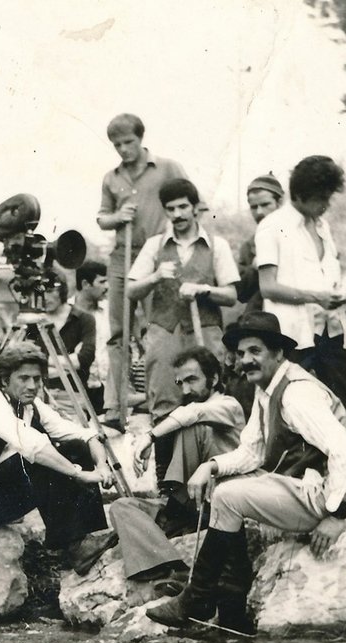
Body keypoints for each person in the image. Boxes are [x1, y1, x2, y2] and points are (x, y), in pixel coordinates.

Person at [146, 312, 346, 632]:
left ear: (278, 353)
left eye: (255, 352)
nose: (246, 360)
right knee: (222, 483)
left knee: (228, 495)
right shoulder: (269, 388)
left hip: (322, 497)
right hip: (300, 488)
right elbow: (252, 452)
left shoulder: (296, 392)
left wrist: (337, 514)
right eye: (242, 353)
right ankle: (230, 601)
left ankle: (199, 598)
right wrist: (210, 466)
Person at [256, 155, 346, 508]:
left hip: (330, 328)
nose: (326, 205)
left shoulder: (322, 226)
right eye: (322, 198)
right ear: (301, 195)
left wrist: (343, 292)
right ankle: (296, 488)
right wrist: (315, 296)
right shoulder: (272, 226)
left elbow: (327, 274)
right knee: (297, 410)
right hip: (295, 331)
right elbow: (268, 286)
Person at [0, 341, 116, 571]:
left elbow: (80, 433)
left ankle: (88, 538)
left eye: (37, 379)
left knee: (73, 447)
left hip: (2, 490)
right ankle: (73, 547)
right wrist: (79, 474)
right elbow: (32, 445)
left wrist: (101, 466)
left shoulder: (26, 401)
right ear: (5, 380)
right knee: (37, 459)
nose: (32, 385)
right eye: (24, 378)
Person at [114, 346, 246, 584]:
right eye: (180, 382)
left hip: (218, 497)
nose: (185, 389)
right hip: (187, 503)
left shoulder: (229, 406)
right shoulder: (185, 411)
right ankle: (169, 565)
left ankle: (169, 520)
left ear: (214, 378)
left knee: (188, 423)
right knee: (121, 507)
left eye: (192, 380)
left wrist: (149, 437)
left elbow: (193, 413)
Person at [127, 178, 238, 446]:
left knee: (209, 403)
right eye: (171, 209)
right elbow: (131, 291)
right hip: (164, 333)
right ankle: (168, 484)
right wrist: (155, 277)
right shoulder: (154, 246)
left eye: (183, 207)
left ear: (195, 208)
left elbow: (232, 295)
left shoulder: (217, 245)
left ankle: (213, 475)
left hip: (206, 334)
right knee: (165, 404)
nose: (177, 214)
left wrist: (203, 290)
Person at [96, 113, 189, 427]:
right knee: (118, 333)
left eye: (128, 142)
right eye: (117, 145)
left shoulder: (167, 168)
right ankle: (113, 406)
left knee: (157, 329)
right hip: (122, 257)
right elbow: (102, 218)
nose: (123, 149)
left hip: (156, 256)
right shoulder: (111, 178)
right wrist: (118, 215)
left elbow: (192, 203)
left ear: (141, 138)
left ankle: (158, 400)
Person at [234, 174, 285, 313]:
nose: (259, 212)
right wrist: (254, 268)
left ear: (279, 204)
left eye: (265, 204)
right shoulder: (249, 246)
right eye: (253, 207)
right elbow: (241, 294)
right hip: (263, 322)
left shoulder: (297, 237)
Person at [74, 260, 110, 413]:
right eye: (101, 282)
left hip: (107, 388)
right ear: (86, 284)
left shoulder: (109, 311)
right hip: (76, 389)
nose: (106, 287)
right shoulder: (68, 313)